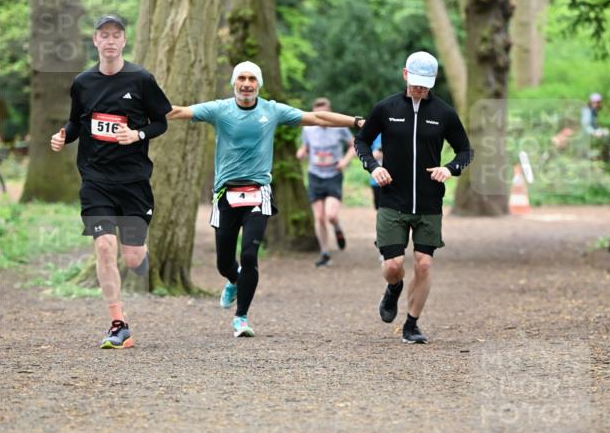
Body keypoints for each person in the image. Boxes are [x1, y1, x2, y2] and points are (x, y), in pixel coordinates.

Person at [168, 62, 362, 337]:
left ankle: (241, 318)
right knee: (224, 262)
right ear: (234, 82)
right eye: (241, 78)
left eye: (251, 79)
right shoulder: (220, 109)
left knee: (249, 254)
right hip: (225, 194)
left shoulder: (272, 110)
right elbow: (178, 111)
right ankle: (233, 281)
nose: (246, 83)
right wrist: (141, 109)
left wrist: (356, 121)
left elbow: (317, 118)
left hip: (259, 192)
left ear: (259, 84)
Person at [50, 15, 172, 348]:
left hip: (133, 181)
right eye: (104, 35)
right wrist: (63, 136)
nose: (110, 41)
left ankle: (141, 257)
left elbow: (162, 121)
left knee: (132, 258)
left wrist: (137, 133)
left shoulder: (142, 79)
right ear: (95, 40)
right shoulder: (83, 82)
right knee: (105, 246)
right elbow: (77, 123)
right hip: (95, 179)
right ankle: (118, 323)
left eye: (115, 35)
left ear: (123, 41)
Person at [355, 51, 472, 345]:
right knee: (394, 265)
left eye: (426, 84)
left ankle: (411, 324)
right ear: (405, 74)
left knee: (424, 263)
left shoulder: (444, 113)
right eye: (415, 81)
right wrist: (374, 166)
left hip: (430, 202)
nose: (419, 88)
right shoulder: (386, 108)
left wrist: (449, 168)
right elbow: (362, 141)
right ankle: (393, 288)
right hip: (393, 199)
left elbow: (465, 151)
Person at [296, 97, 354, 267]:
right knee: (319, 217)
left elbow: (354, 145)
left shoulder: (339, 127)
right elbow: (305, 147)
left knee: (331, 215)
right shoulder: (307, 129)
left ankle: (337, 228)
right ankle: (325, 253)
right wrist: (301, 152)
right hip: (315, 175)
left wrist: (345, 161)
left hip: (333, 174)